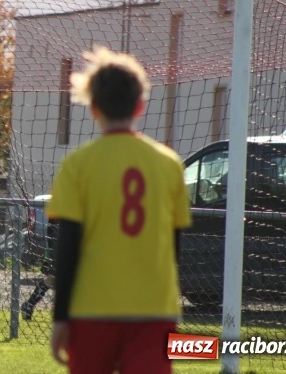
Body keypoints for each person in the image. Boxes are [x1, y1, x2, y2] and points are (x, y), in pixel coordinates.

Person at [47, 47, 192, 374]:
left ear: (94, 108)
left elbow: (67, 247)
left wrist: (60, 318)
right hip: (153, 312)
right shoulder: (170, 165)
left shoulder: (77, 166)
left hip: (91, 311)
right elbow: (174, 248)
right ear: (140, 105)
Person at [21, 220, 58, 320]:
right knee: (54, 277)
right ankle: (29, 305)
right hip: (60, 236)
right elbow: (51, 229)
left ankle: (29, 304)